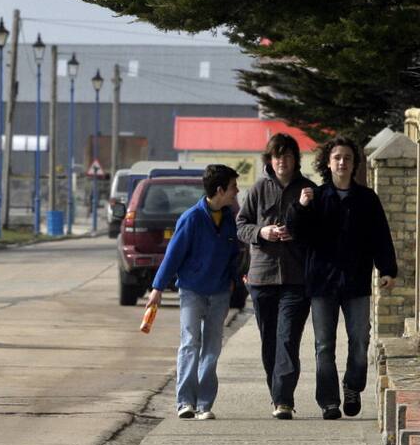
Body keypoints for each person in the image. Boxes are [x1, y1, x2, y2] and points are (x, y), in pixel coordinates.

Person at [286, 136, 397, 419]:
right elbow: (297, 233)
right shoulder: (316, 196)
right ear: (328, 162)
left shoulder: (367, 199)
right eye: (337, 158)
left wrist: (387, 269)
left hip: (356, 280)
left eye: (347, 158)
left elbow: (380, 237)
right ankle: (329, 401)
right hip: (322, 282)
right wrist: (300, 207)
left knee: (360, 339)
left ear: (354, 164)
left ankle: (352, 385)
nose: (342, 163)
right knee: (324, 345)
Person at [146, 164, 242, 421]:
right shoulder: (191, 218)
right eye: (233, 187)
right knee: (191, 343)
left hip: (220, 291)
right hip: (192, 291)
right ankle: (185, 402)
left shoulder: (229, 217)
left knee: (212, 348)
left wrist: (235, 280)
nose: (237, 191)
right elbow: (173, 255)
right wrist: (157, 288)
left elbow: (234, 254)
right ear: (220, 190)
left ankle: (204, 404)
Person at [236, 134, 316, 420]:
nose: (282, 161)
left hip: (297, 278)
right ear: (269, 160)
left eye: (287, 155)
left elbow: (321, 231)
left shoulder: (308, 189)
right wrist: (262, 233)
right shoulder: (258, 189)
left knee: (287, 338)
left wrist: (299, 230)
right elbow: (241, 225)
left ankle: (284, 399)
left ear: (296, 159)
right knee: (270, 340)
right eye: (276, 155)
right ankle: (277, 394)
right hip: (262, 277)